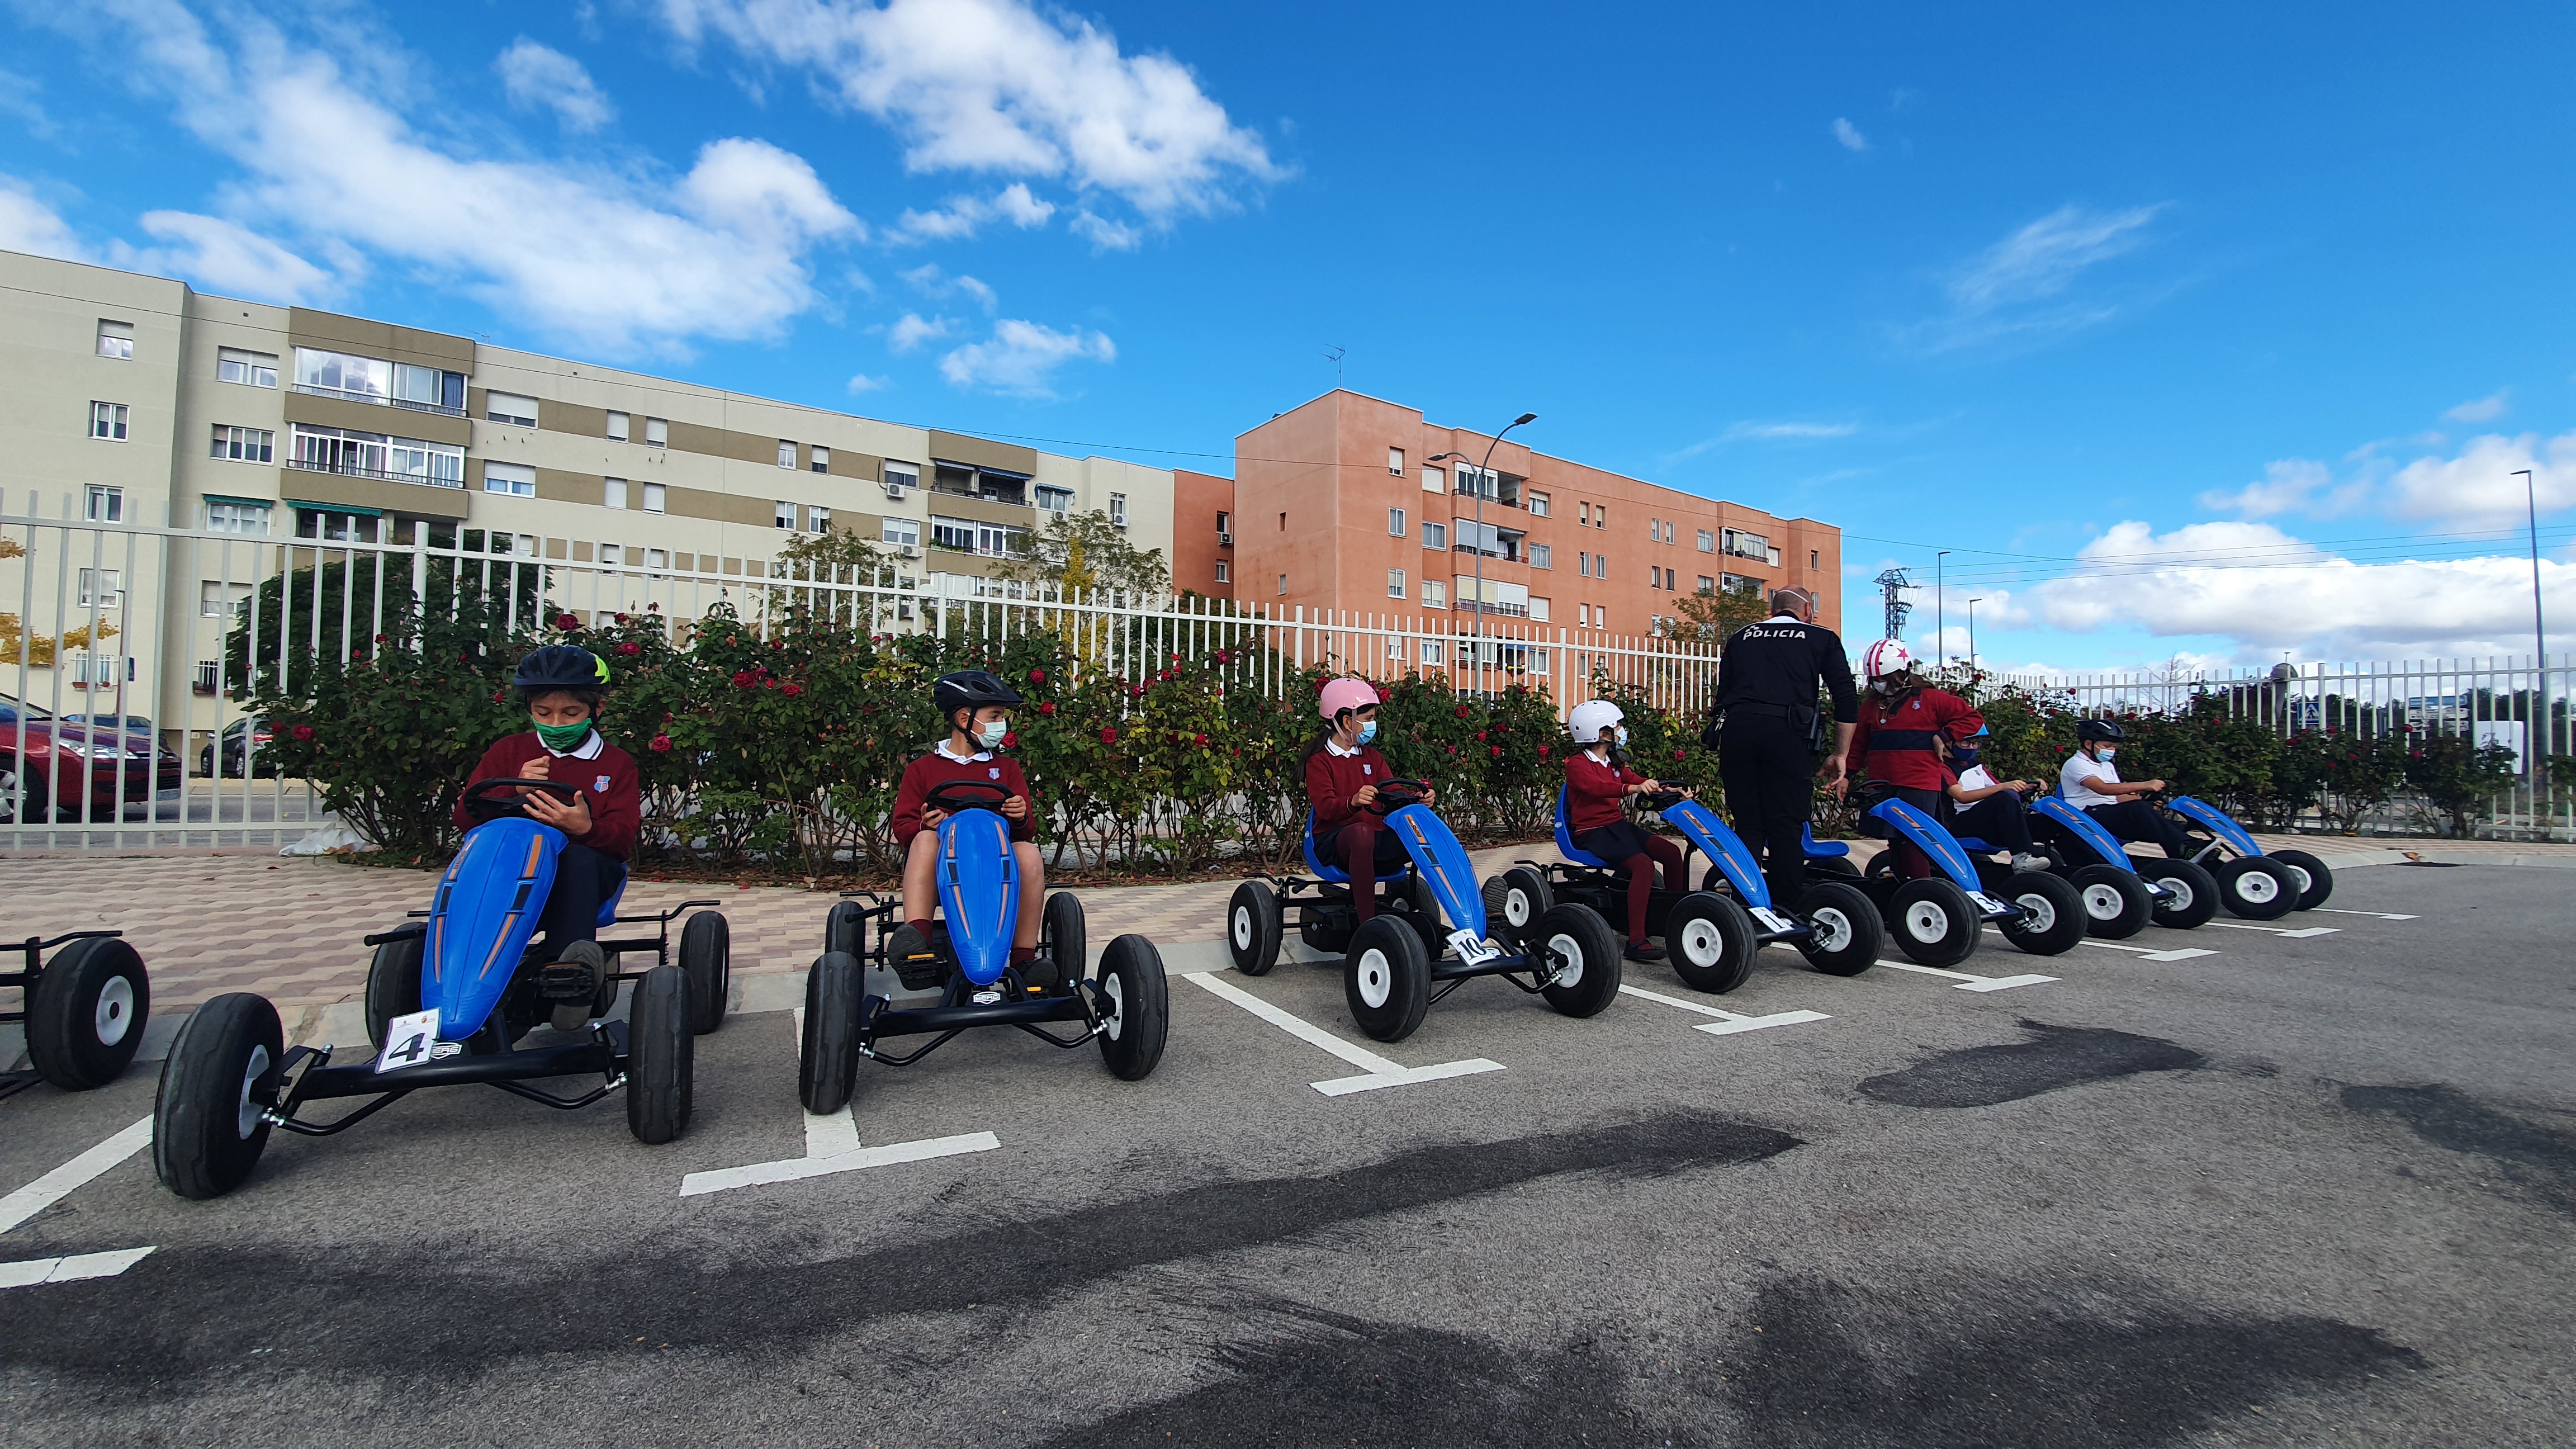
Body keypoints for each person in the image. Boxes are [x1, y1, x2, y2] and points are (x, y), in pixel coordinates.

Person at [453, 644, 642, 1030]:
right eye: (544, 713)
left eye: (570, 713)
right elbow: (465, 818)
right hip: (511, 868)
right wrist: (513, 793)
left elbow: (622, 839)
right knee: (478, 859)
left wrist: (584, 829)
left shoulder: (615, 763)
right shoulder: (509, 752)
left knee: (576, 859)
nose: (556, 722)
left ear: (596, 710)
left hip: (585, 869)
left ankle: (567, 975)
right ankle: (455, 970)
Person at [888, 670, 1052, 985]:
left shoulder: (1006, 768)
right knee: (923, 840)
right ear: (965, 717)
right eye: (994, 716)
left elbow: (1025, 830)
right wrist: (924, 823)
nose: (1001, 725)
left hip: (994, 858)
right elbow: (903, 826)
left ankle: (1024, 961)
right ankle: (918, 946)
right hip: (946, 863)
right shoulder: (923, 769)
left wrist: (1018, 816)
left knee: (1029, 854)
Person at [1712, 587, 1858, 906]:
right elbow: (1846, 698)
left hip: (1739, 732)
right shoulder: (1821, 637)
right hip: (1787, 733)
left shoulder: (1741, 637)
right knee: (1787, 824)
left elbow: (1722, 695)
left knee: (1749, 824)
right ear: (1806, 609)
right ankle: (1789, 905)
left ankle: (1746, 904)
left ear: (1773, 610)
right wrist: (1841, 753)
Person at [1838, 638, 1983, 879]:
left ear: (1904, 672)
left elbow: (1973, 719)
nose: (1880, 684)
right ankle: (1900, 885)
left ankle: (1922, 888)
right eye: (1875, 679)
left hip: (1919, 784)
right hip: (1883, 784)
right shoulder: (1871, 706)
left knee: (1916, 841)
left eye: (1885, 678)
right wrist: (1847, 776)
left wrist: (1944, 736)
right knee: (1894, 840)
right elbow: (1858, 746)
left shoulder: (1932, 699)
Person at [1300, 678, 1435, 922]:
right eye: (1369, 718)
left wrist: (1416, 799)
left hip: (1374, 842)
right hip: (1333, 843)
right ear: (1347, 721)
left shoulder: (1373, 757)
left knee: (1422, 828)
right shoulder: (1320, 762)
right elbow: (1326, 810)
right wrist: (1352, 801)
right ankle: (1367, 926)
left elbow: (1392, 792)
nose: (1373, 724)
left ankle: (1457, 908)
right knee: (1361, 833)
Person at [1563, 699, 1687, 963]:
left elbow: (1639, 782)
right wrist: (1630, 789)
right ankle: (1636, 941)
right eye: (1616, 726)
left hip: (1617, 826)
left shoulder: (1614, 762)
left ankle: (1676, 921)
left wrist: (1669, 790)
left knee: (1672, 853)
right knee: (1643, 866)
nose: (1620, 730)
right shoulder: (1577, 765)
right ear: (1600, 731)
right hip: (1593, 831)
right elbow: (1598, 788)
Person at [2056, 718, 2195, 859]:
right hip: (2085, 814)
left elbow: (2117, 797)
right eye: (2108, 746)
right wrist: (2146, 785)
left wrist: (2146, 799)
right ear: (2088, 744)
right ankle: (2186, 849)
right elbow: (2103, 789)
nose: (2112, 750)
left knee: (2170, 826)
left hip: (2108, 812)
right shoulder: (2076, 764)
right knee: (2137, 809)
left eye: (2114, 747)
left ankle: (2184, 858)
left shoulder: (2107, 766)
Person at [1938, 726, 2047, 871]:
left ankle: (2069, 865)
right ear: (1950, 743)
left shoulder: (1977, 766)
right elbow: (1961, 796)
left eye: (1975, 743)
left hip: (1985, 821)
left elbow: (1999, 788)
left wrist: (2028, 786)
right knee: (2002, 798)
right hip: (1959, 823)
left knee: (2046, 820)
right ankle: (2021, 860)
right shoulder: (1943, 767)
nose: (1971, 747)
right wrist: (2004, 787)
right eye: (1966, 743)